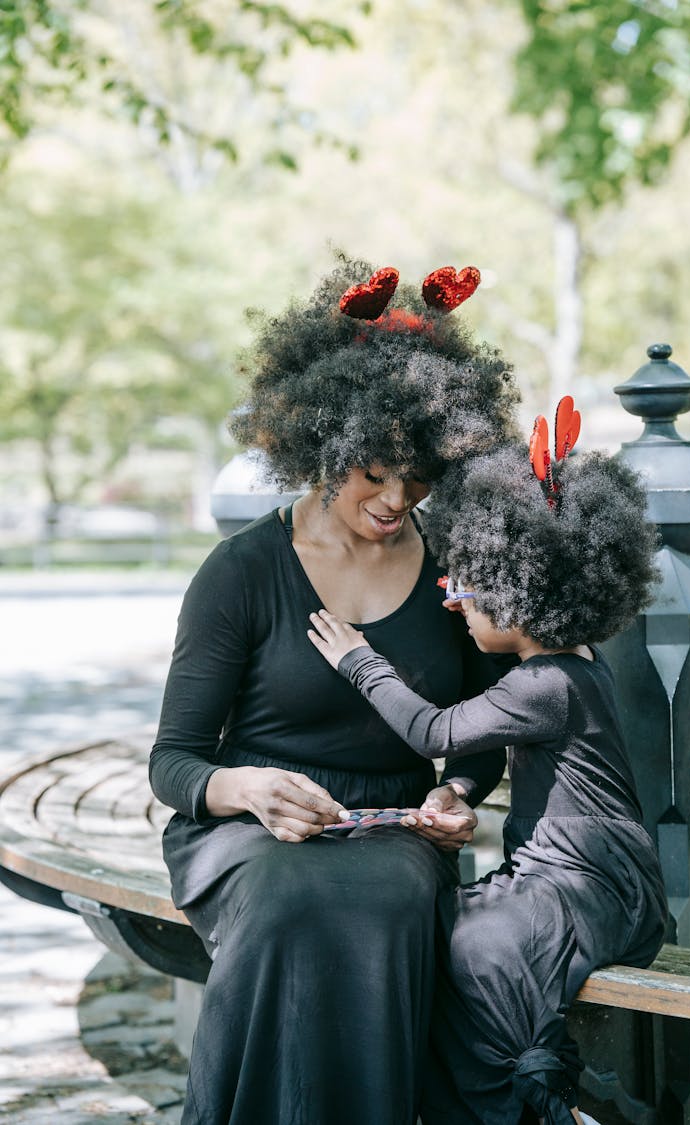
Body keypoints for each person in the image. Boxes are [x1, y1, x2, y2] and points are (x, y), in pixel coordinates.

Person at [148, 257, 520, 1125]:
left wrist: (455, 790)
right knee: (284, 899)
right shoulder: (241, 572)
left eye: (421, 477)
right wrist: (247, 789)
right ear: (327, 446)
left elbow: (478, 735)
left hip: (391, 825)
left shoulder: (451, 571)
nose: (398, 499)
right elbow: (173, 762)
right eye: (374, 474)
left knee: (388, 899)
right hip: (246, 825)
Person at [307, 431, 669, 1125]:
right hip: (568, 876)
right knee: (447, 927)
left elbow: (434, 732)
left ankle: (540, 1098)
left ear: (521, 594)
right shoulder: (562, 665)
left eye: (471, 584)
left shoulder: (548, 683)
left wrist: (361, 660)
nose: (453, 597)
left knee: (483, 941)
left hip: (594, 883)